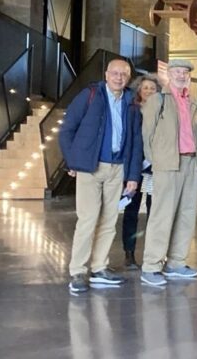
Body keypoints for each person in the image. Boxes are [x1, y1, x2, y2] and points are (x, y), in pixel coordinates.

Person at [60, 58, 143, 294]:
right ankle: (78, 271)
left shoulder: (131, 102)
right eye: (115, 73)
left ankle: (99, 268)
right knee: (87, 219)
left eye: (124, 74)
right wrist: (72, 161)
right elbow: (67, 130)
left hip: (117, 169)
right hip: (90, 167)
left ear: (128, 77)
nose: (119, 77)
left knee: (109, 221)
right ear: (106, 74)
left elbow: (136, 141)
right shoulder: (91, 95)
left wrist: (133, 175)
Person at [140, 58, 197, 287]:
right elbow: (147, 134)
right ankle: (151, 266)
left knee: (186, 215)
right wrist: (156, 161)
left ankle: (176, 262)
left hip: (191, 163)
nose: (181, 75)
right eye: (177, 71)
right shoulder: (158, 100)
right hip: (168, 164)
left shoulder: (194, 102)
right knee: (162, 215)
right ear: (170, 74)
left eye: (185, 72)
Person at [121, 73, 159, 270]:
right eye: (146, 88)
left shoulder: (162, 111)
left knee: (155, 211)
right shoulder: (132, 110)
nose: (149, 91)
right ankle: (129, 252)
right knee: (131, 211)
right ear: (139, 90)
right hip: (135, 169)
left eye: (153, 88)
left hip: (154, 169)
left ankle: (153, 254)